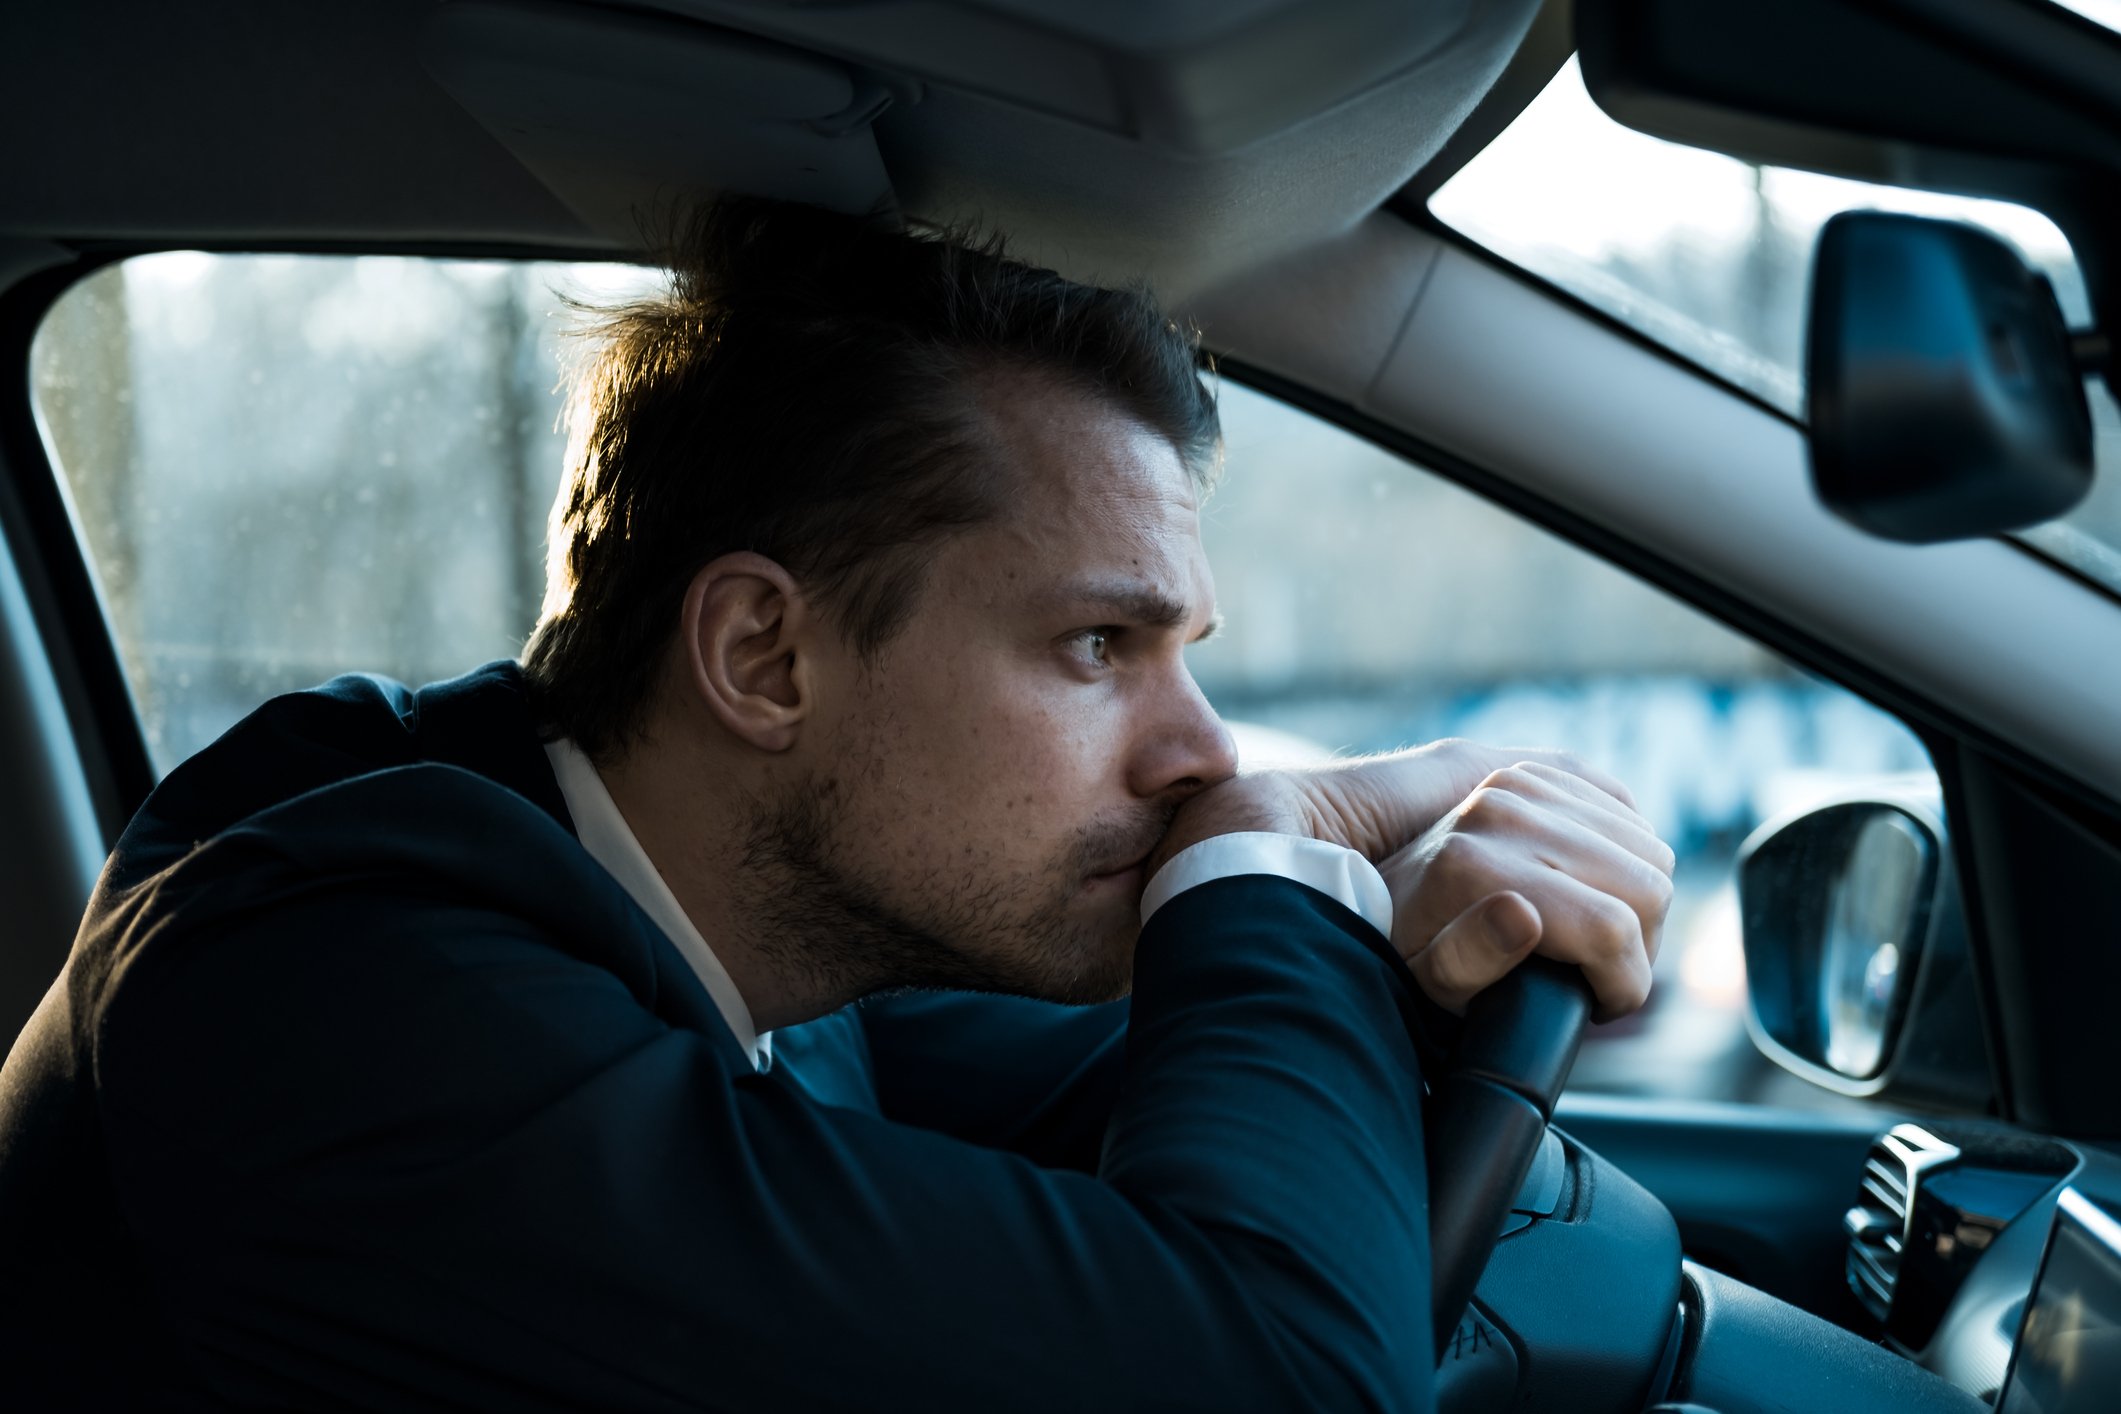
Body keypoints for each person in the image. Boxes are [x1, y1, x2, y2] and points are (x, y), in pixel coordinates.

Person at [0, 199, 1673, 1411]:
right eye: (1097, 644)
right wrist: (1273, 851)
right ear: (762, 655)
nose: (1196, 750)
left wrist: (1394, 935)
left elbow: (1179, 1118)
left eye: (1184, 655)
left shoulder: (756, 923)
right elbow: (1282, 1375)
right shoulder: (342, 1008)